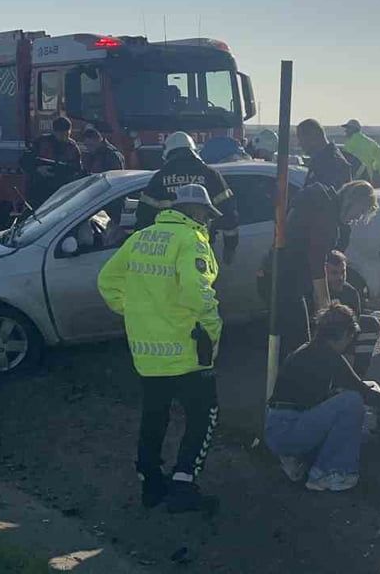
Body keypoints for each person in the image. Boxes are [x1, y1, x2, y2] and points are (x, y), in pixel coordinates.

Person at [96, 183, 224, 513]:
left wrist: (135, 312)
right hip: (187, 350)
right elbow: (197, 292)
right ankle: (183, 483)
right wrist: (213, 330)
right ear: (195, 212)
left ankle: (150, 483)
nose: (207, 221)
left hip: (147, 352)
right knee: (204, 414)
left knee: (155, 415)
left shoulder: (141, 238)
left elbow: (107, 281)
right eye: (206, 214)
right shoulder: (191, 240)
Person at [265, 303, 380, 492]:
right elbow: (362, 393)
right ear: (346, 334)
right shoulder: (327, 355)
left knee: (362, 391)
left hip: (281, 427)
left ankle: (303, 459)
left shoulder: (310, 349)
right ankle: (329, 472)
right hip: (288, 431)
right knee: (352, 401)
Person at [275, 181, 379, 357]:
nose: (357, 218)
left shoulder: (321, 202)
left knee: (293, 337)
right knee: (300, 341)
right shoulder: (326, 217)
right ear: (352, 201)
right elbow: (317, 265)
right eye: (360, 211)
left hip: (281, 274)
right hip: (288, 281)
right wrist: (326, 309)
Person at [134, 131, 240, 265]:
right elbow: (229, 214)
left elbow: (143, 217)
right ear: (194, 151)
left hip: (166, 249)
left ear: (168, 153)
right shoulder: (210, 175)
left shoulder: (159, 178)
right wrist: (230, 247)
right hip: (201, 247)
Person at [325, 250, 380, 375]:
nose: (340, 278)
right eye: (334, 273)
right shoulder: (317, 291)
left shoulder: (351, 293)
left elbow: (354, 327)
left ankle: (358, 374)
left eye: (343, 272)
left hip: (345, 338)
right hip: (323, 340)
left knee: (370, 324)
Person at [21, 117, 84, 208]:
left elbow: (77, 169)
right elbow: (24, 161)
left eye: (67, 134)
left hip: (61, 191)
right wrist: (38, 169)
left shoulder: (72, 147)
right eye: (61, 134)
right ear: (54, 132)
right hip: (40, 190)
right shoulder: (42, 142)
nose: (64, 137)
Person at [296, 118, 355, 192]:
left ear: (314, 137)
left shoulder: (332, 163)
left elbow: (326, 196)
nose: (299, 144)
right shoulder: (322, 160)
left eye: (301, 139)